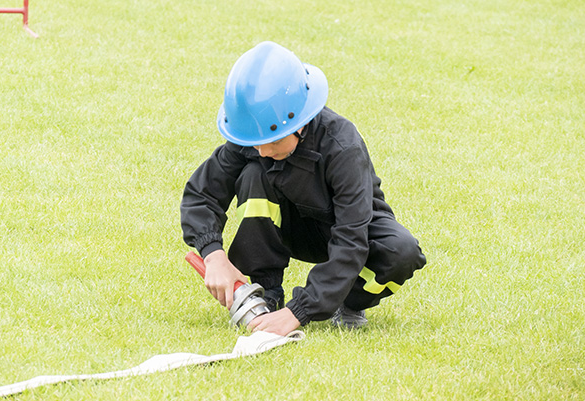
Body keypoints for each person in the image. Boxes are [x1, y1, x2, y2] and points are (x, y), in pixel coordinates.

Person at [180, 41, 426, 336]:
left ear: (300, 122)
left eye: (272, 141)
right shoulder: (256, 137)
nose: (260, 150)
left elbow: (351, 240)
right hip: (291, 227)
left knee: (402, 252)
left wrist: (300, 311)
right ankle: (267, 292)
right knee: (253, 175)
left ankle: (348, 301)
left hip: (348, 230)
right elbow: (201, 194)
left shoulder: (343, 146)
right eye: (254, 141)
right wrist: (213, 254)